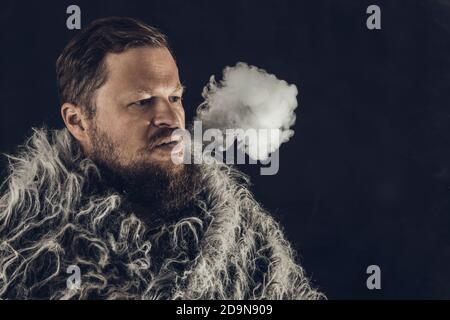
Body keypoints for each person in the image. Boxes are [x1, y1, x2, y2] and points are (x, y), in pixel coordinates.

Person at [0, 17, 323, 300]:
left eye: (175, 97)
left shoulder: (246, 242)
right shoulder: (27, 255)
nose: (170, 117)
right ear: (78, 121)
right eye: (142, 102)